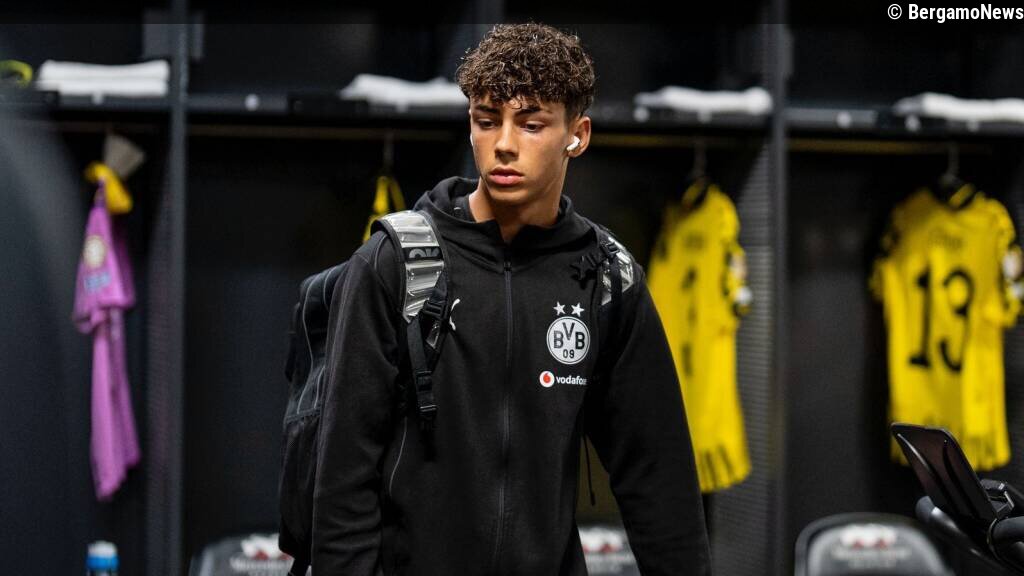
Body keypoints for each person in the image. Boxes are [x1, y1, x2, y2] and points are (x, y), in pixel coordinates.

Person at [312, 22, 712, 575]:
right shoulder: (394, 263)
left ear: (578, 135)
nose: (503, 144)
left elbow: (658, 478)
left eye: (531, 124)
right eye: (486, 120)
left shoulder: (607, 279)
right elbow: (342, 477)